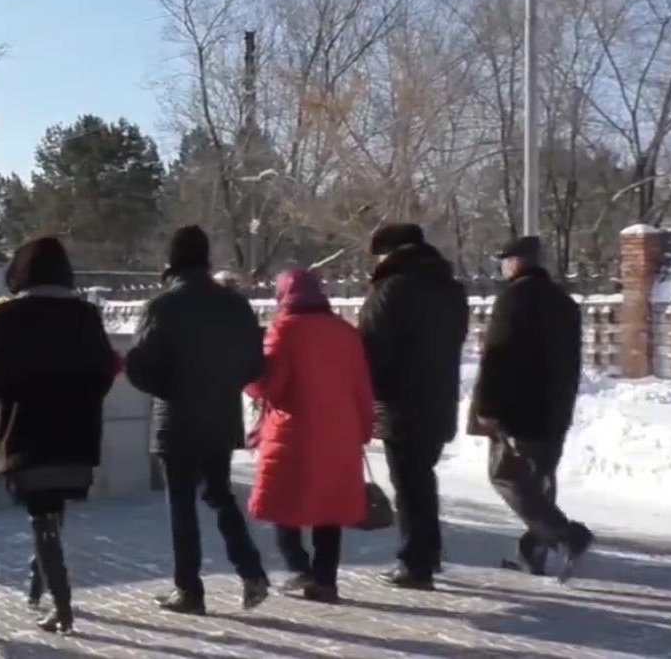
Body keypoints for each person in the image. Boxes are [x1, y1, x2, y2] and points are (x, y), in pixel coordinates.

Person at [0, 237, 118, 635]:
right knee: (51, 511)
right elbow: (106, 366)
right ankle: (40, 583)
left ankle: (62, 605)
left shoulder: (9, 317)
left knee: (42, 515)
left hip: (27, 434)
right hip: (76, 433)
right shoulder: (86, 315)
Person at [126, 225, 270, 615]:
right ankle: (251, 569)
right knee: (220, 495)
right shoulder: (235, 305)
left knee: (182, 506)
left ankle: (189, 589)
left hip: (177, 419)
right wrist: (223, 385)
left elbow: (138, 365)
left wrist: (169, 388)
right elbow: (254, 362)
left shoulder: (163, 306)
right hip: (220, 415)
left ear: (171, 261)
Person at [245, 269, 375, 604]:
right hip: (341, 432)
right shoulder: (346, 333)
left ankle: (297, 565)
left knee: (282, 501)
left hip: (294, 433)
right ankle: (325, 581)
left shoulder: (284, 330)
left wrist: (249, 379)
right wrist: (363, 428)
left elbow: (269, 387)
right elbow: (361, 388)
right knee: (329, 508)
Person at [471, 236, 593, 578]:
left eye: (505, 260)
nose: (503, 267)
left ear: (516, 263)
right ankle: (533, 552)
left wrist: (488, 405)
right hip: (555, 407)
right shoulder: (563, 302)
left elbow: (498, 356)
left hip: (518, 409)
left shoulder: (513, 299)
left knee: (506, 476)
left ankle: (565, 535)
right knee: (540, 480)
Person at [358, 223, 469, 591]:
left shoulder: (390, 289)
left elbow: (372, 349)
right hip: (439, 399)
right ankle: (428, 552)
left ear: (389, 252)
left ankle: (415, 562)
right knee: (423, 477)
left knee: (408, 483)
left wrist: (365, 394)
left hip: (400, 401)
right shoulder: (450, 290)